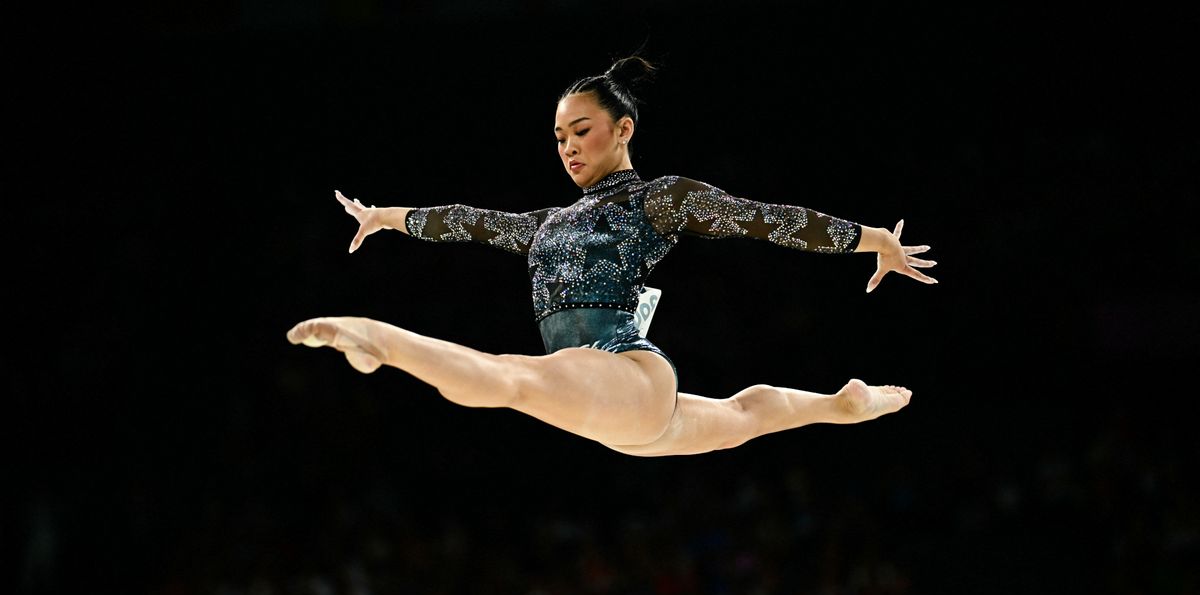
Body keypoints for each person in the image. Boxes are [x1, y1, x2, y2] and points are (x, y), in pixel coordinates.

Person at [287, 55, 937, 457]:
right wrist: (385, 218)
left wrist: (873, 237)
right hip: (614, 414)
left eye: (581, 131)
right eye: (558, 137)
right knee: (742, 415)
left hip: (622, 370)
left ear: (623, 129)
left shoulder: (659, 201)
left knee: (512, 380)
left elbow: (763, 220)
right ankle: (841, 403)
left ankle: (377, 339)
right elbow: (468, 223)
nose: (567, 147)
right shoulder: (549, 223)